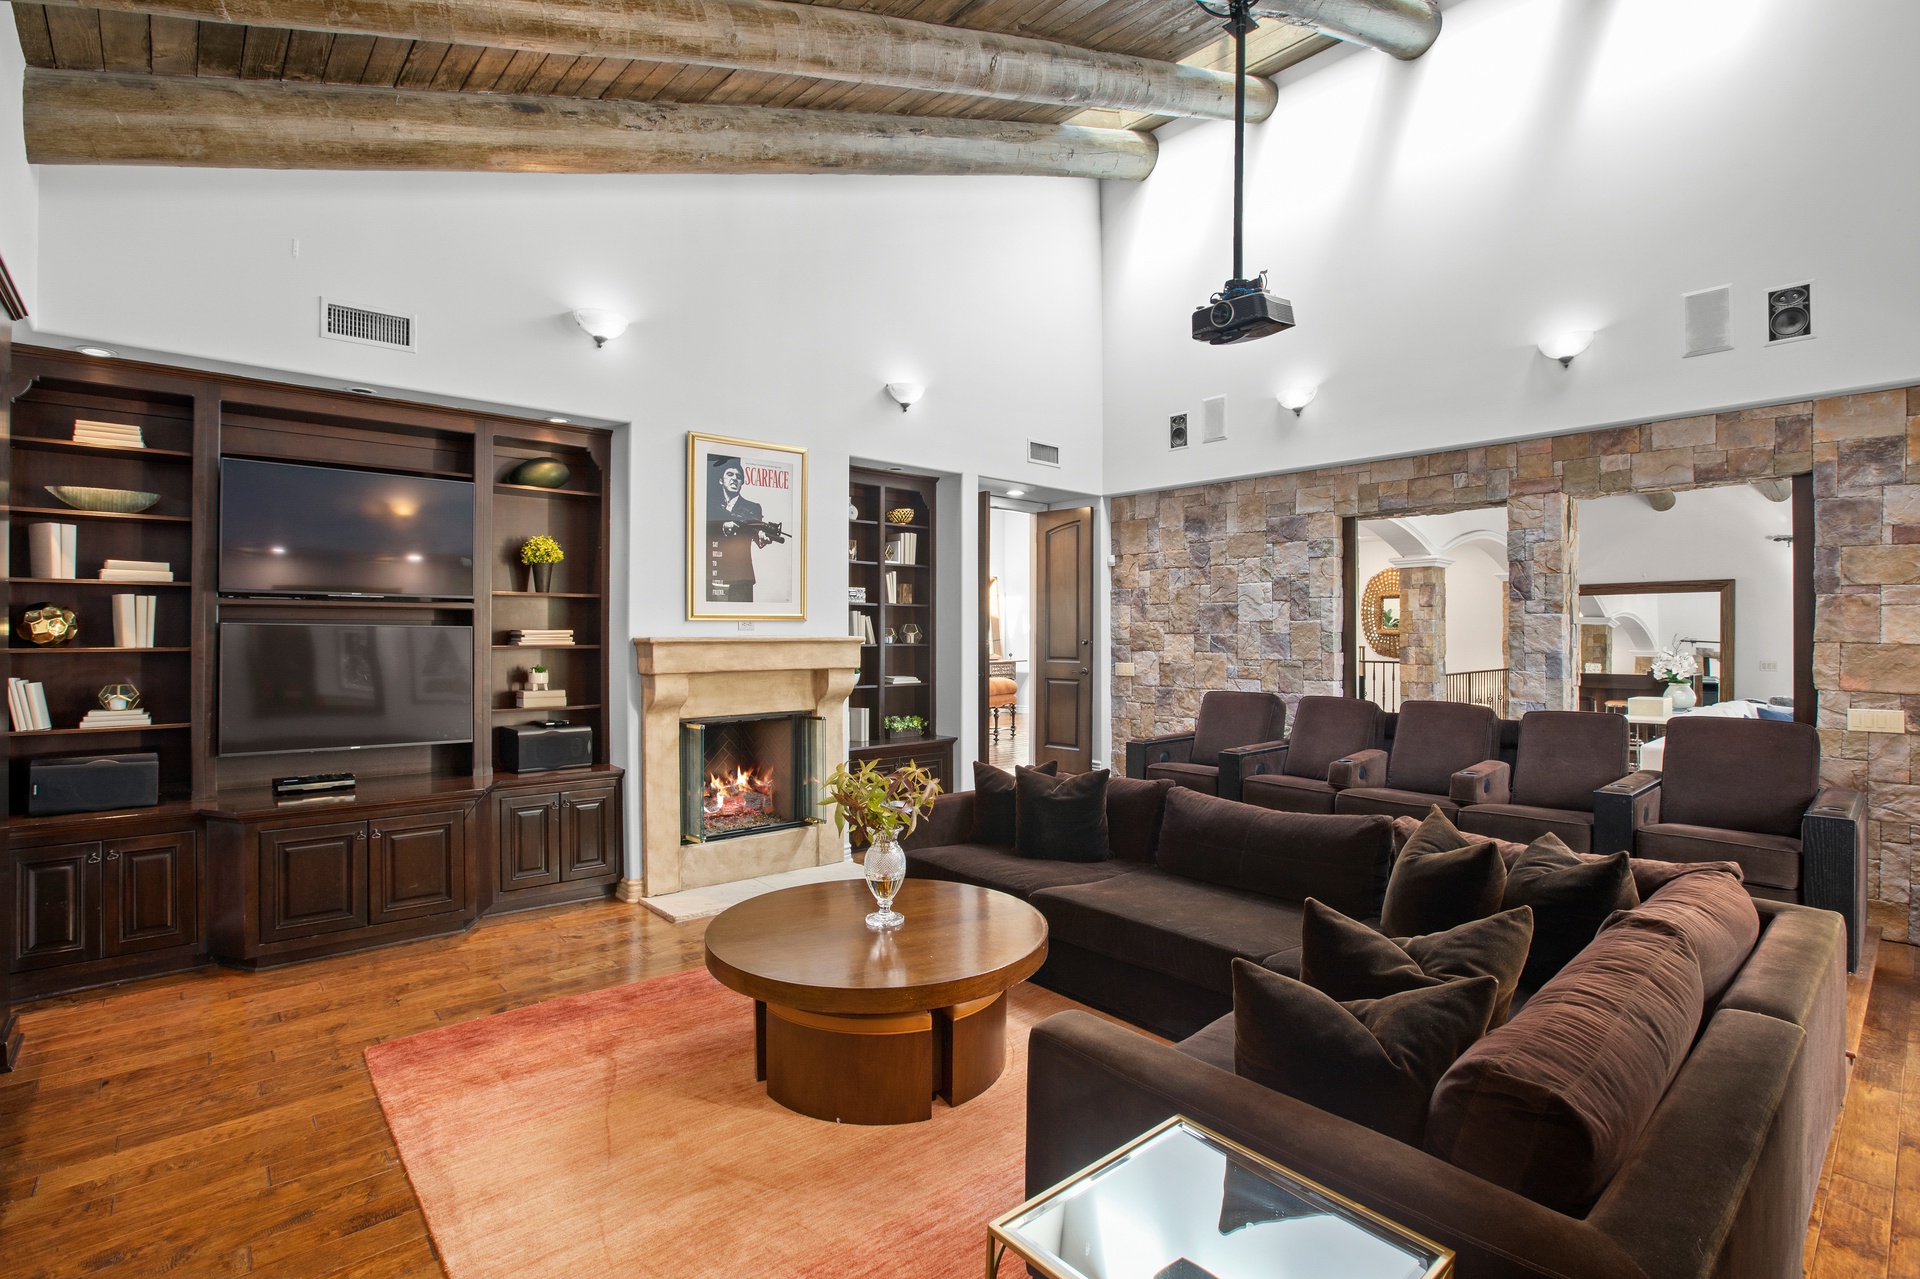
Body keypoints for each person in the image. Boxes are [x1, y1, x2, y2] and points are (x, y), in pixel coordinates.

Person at [707, 455, 770, 602]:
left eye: (738, 476)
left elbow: (757, 533)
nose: (734, 478)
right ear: (721, 480)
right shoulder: (710, 506)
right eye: (730, 474)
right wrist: (723, 526)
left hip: (741, 575)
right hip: (713, 573)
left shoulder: (753, 507)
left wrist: (762, 536)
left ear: (742, 483)